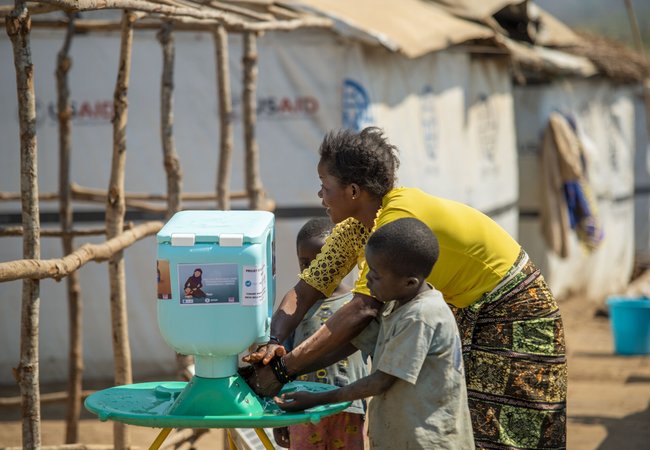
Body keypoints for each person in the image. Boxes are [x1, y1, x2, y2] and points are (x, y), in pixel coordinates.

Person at [244, 127, 567, 450]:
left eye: (325, 188)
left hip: (512, 308)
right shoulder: (359, 226)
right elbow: (305, 291)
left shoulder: (394, 222)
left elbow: (362, 311)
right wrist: (273, 342)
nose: (320, 196)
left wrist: (284, 369)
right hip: (471, 310)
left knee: (506, 432)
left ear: (353, 191)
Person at [276, 218, 474, 449]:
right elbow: (344, 346)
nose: (367, 279)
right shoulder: (394, 306)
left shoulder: (421, 316)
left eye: (376, 275)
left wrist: (319, 399)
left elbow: (381, 381)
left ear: (409, 282)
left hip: (429, 441)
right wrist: (284, 372)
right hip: (401, 438)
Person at [272, 217, 369, 449]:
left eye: (323, 261)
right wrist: (279, 416)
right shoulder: (293, 308)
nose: (316, 270)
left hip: (348, 407)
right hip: (302, 409)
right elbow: (279, 361)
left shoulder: (360, 304)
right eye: (306, 264)